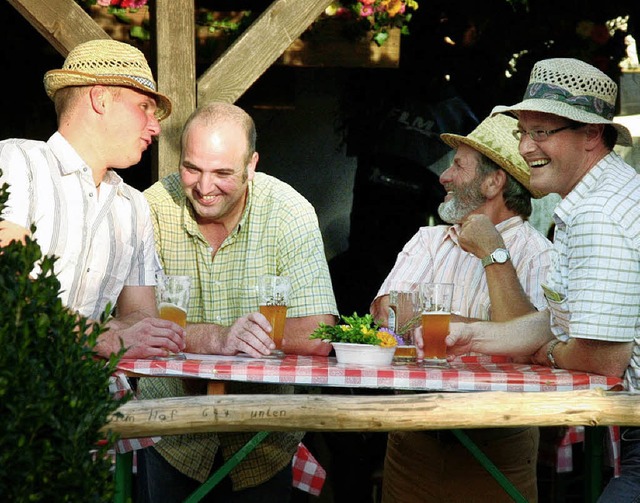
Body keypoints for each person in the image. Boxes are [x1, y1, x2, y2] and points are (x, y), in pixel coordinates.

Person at [446, 58, 640, 502]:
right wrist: (472, 335)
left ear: (591, 134)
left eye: (542, 132)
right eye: (523, 132)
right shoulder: (609, 194)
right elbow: (564, 321)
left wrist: (546, 352)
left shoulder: (597, 215)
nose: (527, 148)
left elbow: (602, 357)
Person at [136, 102, 338, 502]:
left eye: (223, 173)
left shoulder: (289, 210)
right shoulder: (150, 207)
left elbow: (320, 333)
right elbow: (133, 323)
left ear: (251, 165)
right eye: (192, 168)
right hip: (170, 431)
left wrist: (228, 337)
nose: (204, 187)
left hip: (263, 435)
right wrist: (219, 337)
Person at [370, 113, 554, 502]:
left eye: (458, 165)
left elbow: (532, 345)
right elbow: (387, 315)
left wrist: (493, 253)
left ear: (493, 182)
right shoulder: (428, 240)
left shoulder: (541, 255)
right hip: (413, 439)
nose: (444, 176)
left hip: (499, 445)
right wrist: (484, 329)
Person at [0, 39, 185, 360]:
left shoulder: (134, 206)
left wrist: (117, 335)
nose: (155, 127)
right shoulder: (17, 161)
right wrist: (110, 339)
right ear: (100, 99)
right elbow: (11, 289)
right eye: (144, 107)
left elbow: (143, 316)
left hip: (94, 394)